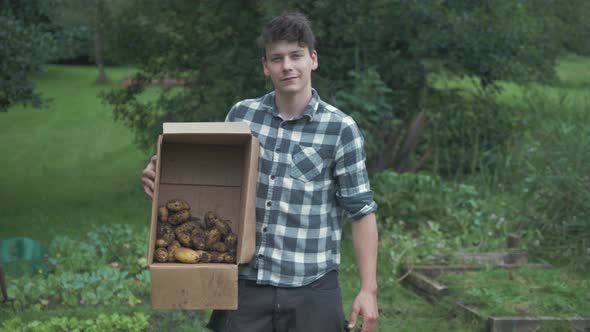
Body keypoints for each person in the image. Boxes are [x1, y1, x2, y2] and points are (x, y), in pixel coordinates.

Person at [142, 12, 379, 332]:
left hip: (312, 288)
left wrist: (368, 290)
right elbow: (213, 187)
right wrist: (165, 182)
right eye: (277, 58)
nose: (287, 66)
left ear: (313, 59)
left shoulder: (340, 129)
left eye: (296, 56)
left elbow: (361, 212)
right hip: (246, 284)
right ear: (265, 66)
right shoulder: (242, 115)